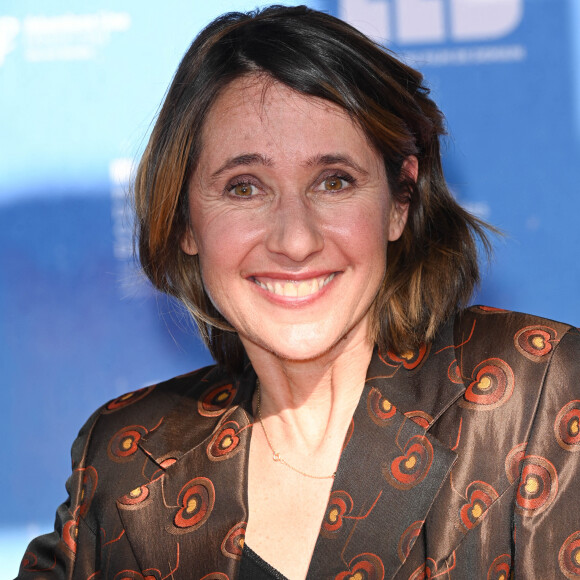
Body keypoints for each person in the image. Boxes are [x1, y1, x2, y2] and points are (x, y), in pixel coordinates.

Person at [17, 5, 580, 579]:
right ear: (186, 222)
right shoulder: (127, 456)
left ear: (400, 200)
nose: (294, 239)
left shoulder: (536, 394)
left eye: (333, 181)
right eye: (244, 188)